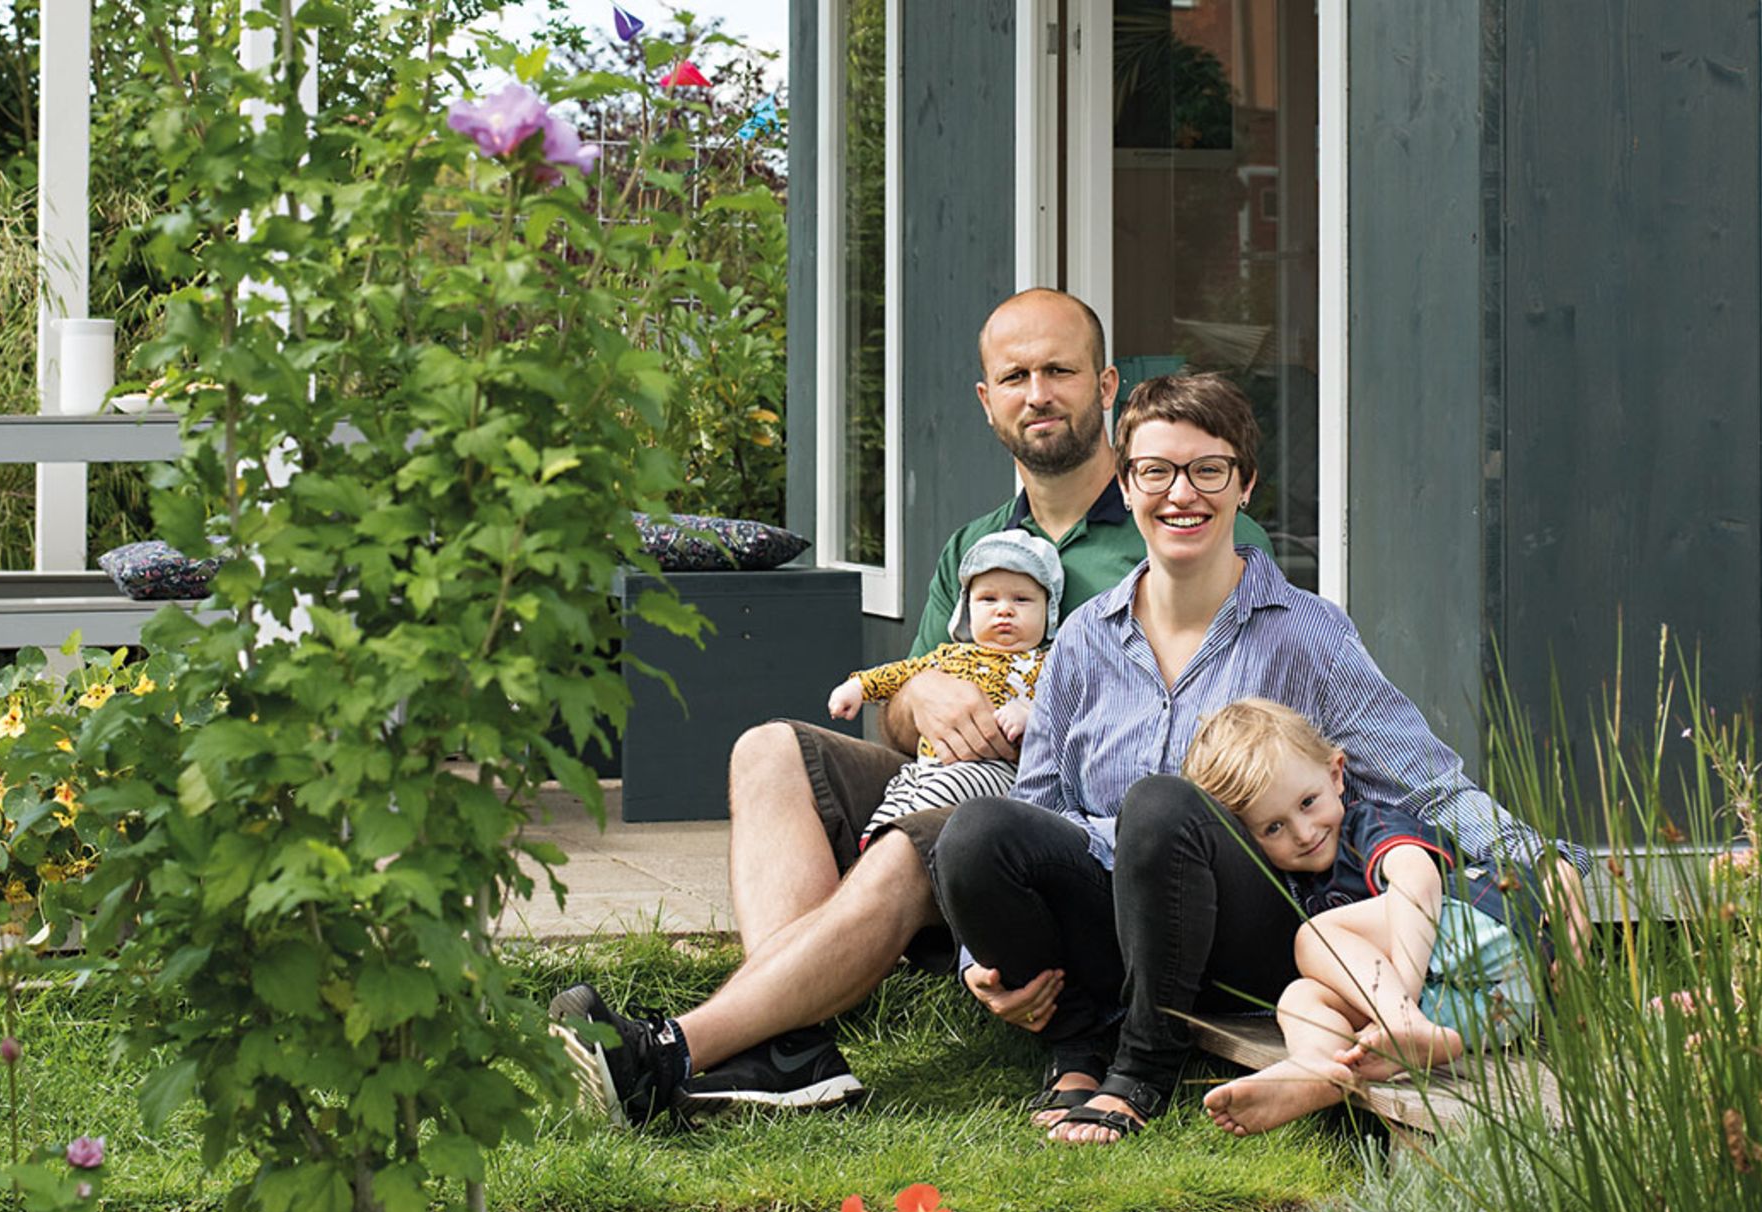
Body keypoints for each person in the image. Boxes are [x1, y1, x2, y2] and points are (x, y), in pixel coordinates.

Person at [549, 288, 1267, 1126]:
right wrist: (920, 695)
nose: (1038, 393)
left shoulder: (1177, 519)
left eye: (1060, 371)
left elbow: (1223, 723)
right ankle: (790, 1043)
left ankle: (678, 1050)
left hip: (1061, 818)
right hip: (952, 776)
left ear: (1106, 386)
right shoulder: (975, 544)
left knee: (909, 841)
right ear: (987, 400)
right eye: (1016, 376)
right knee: (766, 749)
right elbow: (894, 724)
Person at [933, 371, 1587, 1145]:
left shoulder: (1307, 633)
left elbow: (1429, 783)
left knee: (1162, 802)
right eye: (1156, 471)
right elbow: (1038, 805)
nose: (1182, 494)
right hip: (1104, 926)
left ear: (1245, 485)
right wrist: (979, 955)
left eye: (1208, 470)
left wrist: (1543, 863)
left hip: (1242, 931)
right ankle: (1077, 1043)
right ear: (1126, 483)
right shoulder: (1081, 638)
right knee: (973, 832)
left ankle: (1142, 1067)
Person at [1181, 698, 1568, 1136]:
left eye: (1308, 802)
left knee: (1315, 937)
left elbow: (1418, 879)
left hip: (1486, 921)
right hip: (1501, 1010)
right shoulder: (1298, 887)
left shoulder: (1367, 824)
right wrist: (1402, 1013)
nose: (1303, 833)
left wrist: (1401, 1006)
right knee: (1300, 997)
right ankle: (1319, 1066)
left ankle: (1404, 1026)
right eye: (1274, 828)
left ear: (1335, 775)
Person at [830, 529, 1063, 843]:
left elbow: (1064, 708)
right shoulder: (949, 655)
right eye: (988, 599)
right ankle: (871, 850)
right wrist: (858, 687)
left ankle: (898, 849)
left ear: (1048, 611)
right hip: (928, 764)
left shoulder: (1046, 664)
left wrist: (1028, 713)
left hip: (996, 770)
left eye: (1021, 600)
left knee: (941, 792)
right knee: (898, 793)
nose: (1004, 610)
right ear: (967, 611)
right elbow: (903, 672)